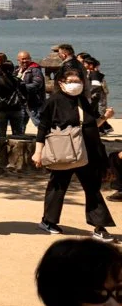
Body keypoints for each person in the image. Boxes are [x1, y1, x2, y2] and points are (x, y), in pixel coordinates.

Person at [35, 62, 118, 240]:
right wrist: (38, 151)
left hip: (87, 151)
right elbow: (43, 127)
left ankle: (99, 227)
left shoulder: (83, 101)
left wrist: (105, 118)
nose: (75, 84)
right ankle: (48, 221)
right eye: (71, 80)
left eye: (78, 80)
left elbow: (91, 125)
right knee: (58, 187)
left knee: (92, 189)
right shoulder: (53, 102)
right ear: (61, 83)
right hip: (63, 151)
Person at [0, 52, 30, 171]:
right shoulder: (18, 80)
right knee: (18, 134)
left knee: (1, 134)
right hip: (16, 109)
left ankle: (2, 159)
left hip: (1, 109)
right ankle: (17, 159)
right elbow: (24, 95)